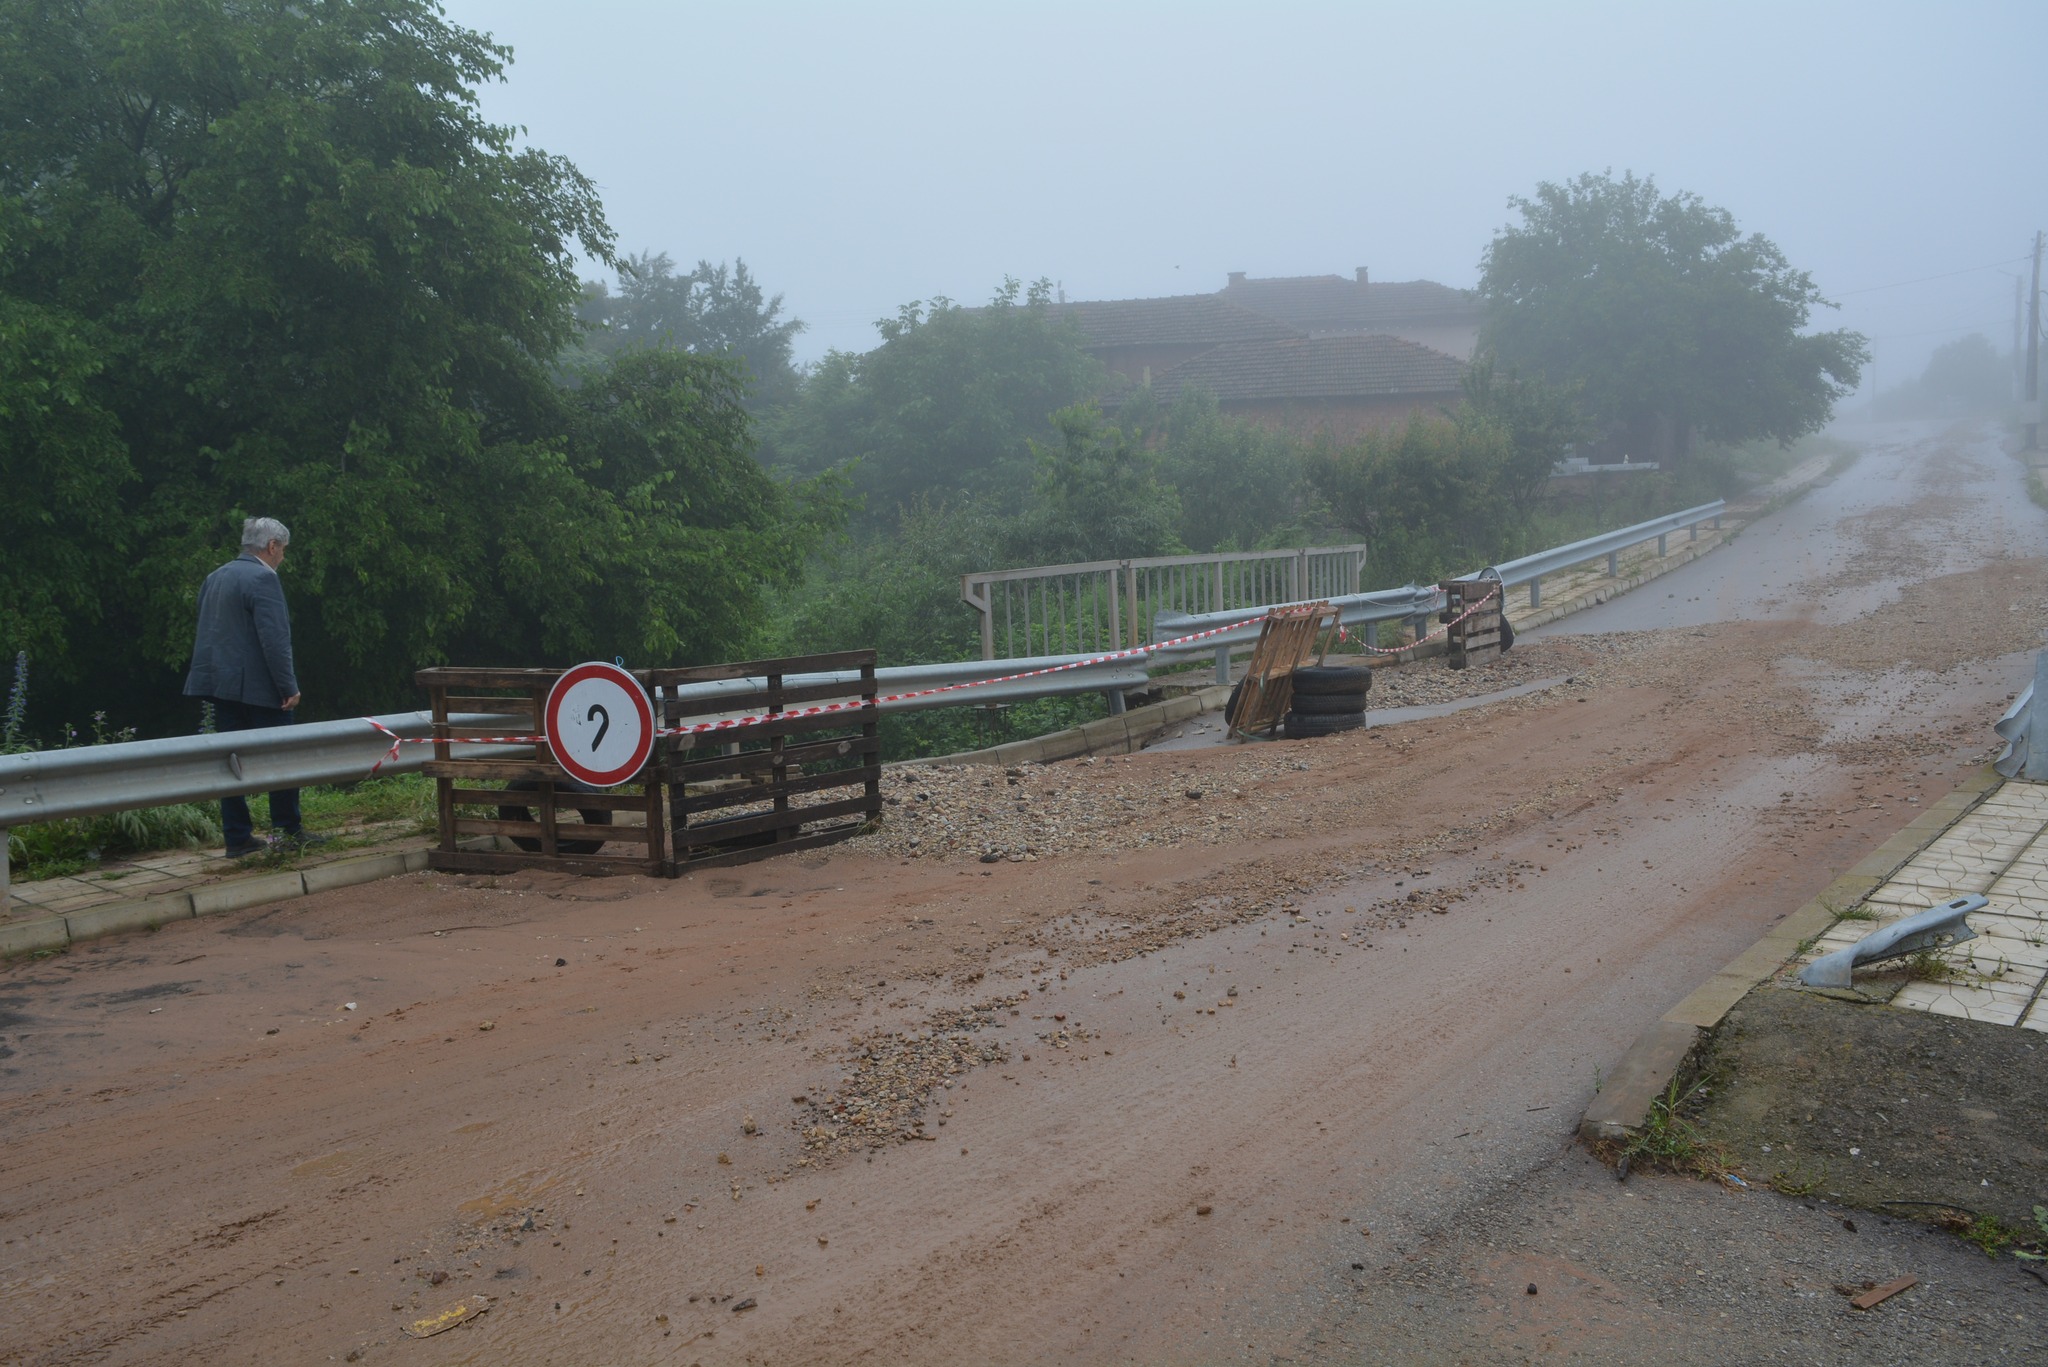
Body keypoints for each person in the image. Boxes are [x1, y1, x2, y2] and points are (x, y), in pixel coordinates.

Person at [183, 517, 323, 857]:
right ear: (272, 546)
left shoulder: (216, 576)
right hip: (260, 689)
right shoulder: (264, 578)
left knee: (231, 762)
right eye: (283, 550)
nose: (283, 558)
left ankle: (237, 838)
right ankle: (288, 830)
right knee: (281, 758)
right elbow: (275, 640)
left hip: (219, 686)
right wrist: (288, 686)